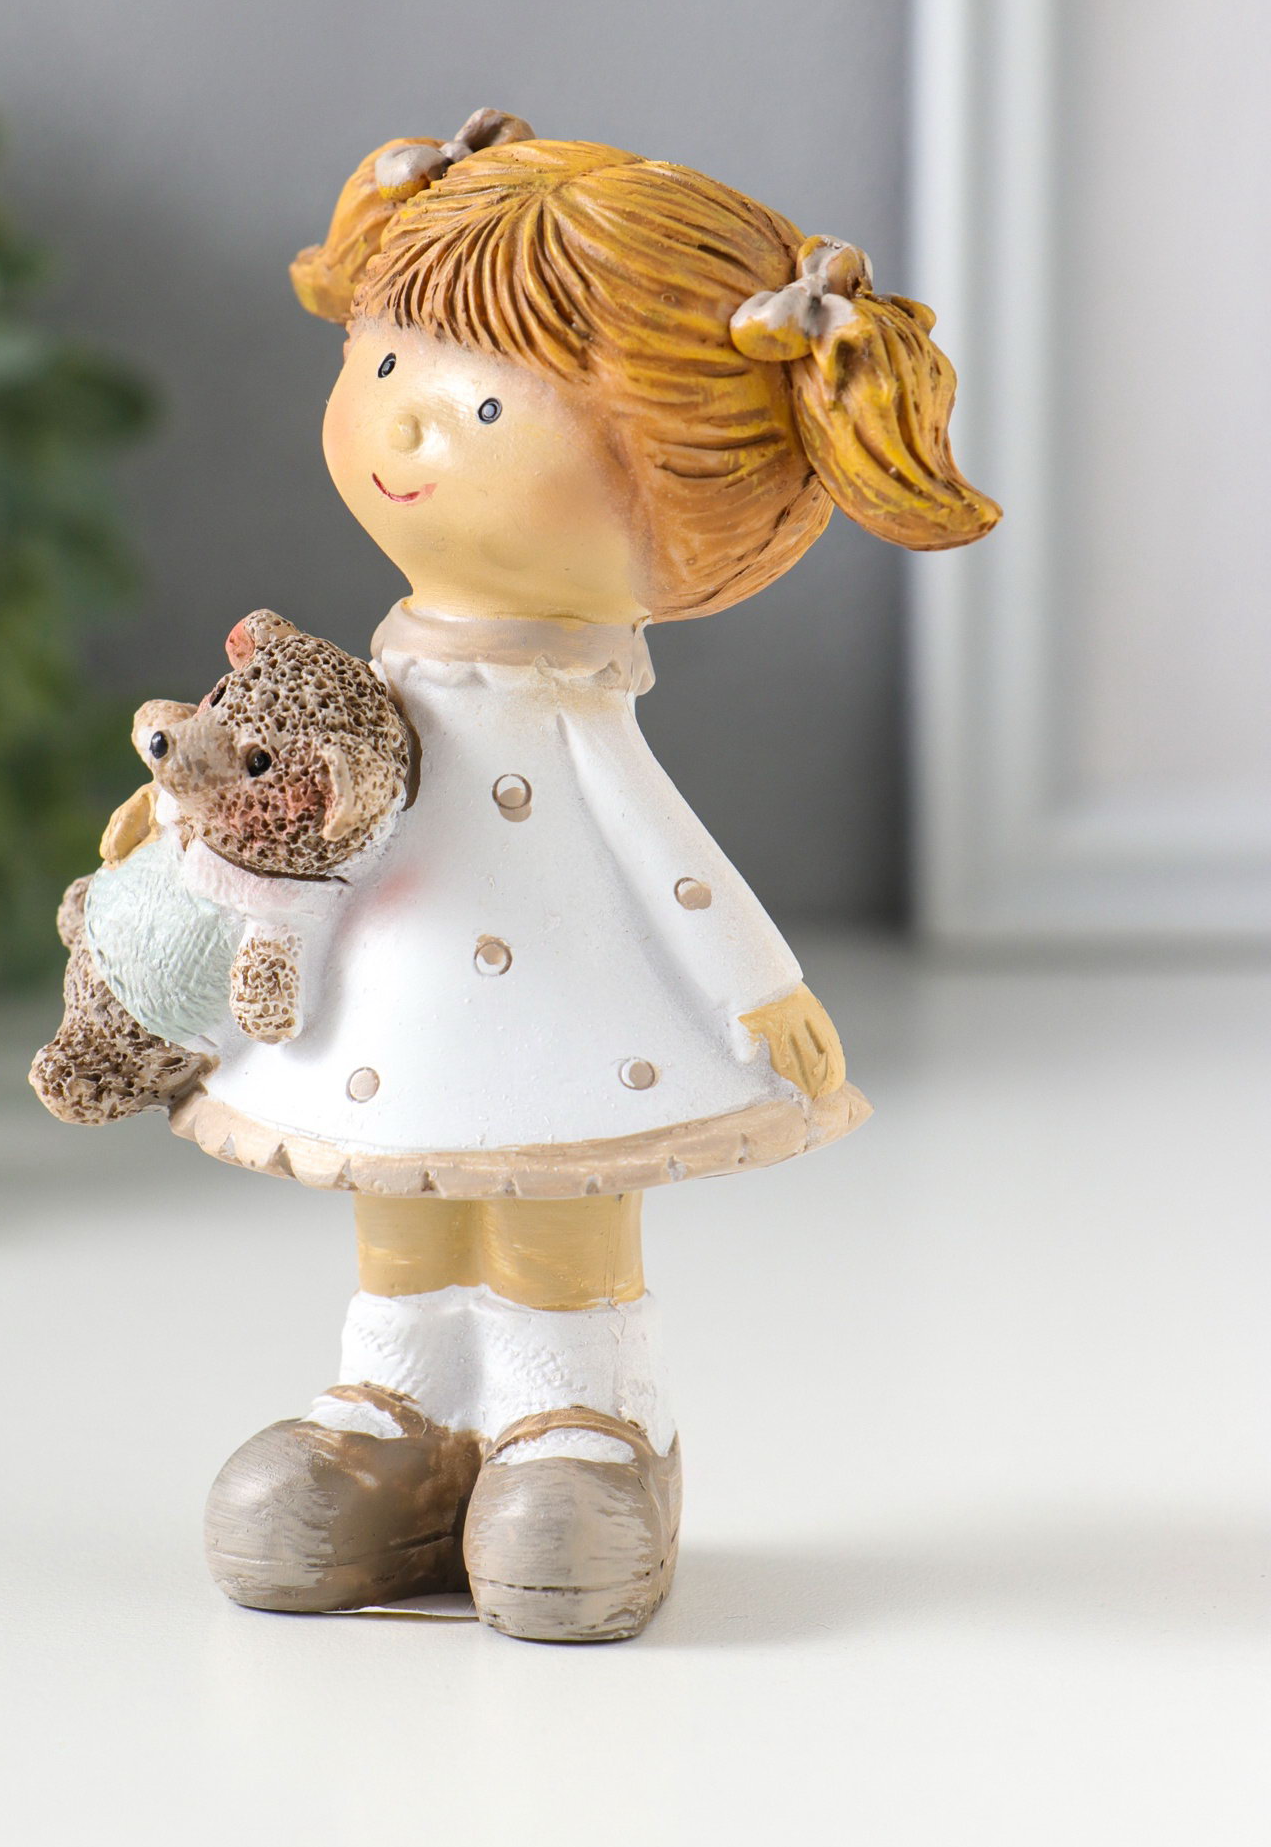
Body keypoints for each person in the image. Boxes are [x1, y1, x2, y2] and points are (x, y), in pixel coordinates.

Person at [184, 110, 1000, 1641]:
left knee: (553, 1205)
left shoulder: (572, 718)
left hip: (561, 1014)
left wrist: (760, 989)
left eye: (486, 408)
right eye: (382, 362)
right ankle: (397, 1409)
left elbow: (661, 851)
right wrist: (180, 834)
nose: (403, 424)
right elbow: (279, 777)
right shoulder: (371, 677)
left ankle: (580, 1422)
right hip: (398, 1008)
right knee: (403, 1199)